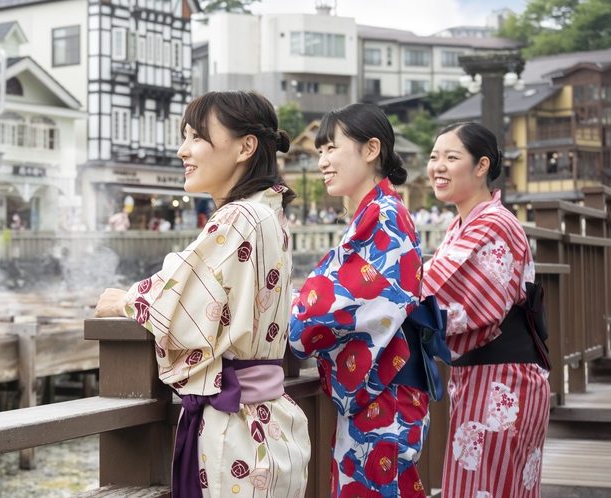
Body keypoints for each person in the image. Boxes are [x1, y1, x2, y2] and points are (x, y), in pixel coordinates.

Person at [95, 91, 309, 497]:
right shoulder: (268, 214)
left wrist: (122, 301)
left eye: (196, 137)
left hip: (238, 429)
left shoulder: (239, 215)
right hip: (269, 420)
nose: (182, 151)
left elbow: (181, 292)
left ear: (245, 146)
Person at [288, 103, 427, 497]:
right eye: (319, 152)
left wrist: (291, 310)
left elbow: (323, 308)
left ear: (371, 150)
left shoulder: (382, 215)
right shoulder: (382, 211)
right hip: (386, 391)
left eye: (332, 148)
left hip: (385, 397)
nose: (323, 161)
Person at [422, 122, 549, 498]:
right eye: (433, 157)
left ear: (481, 166)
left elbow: (436, 291)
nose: (437, 166)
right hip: (487, 377)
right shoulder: (464, 223)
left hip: (501, 381)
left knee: (483, 490)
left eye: (451, 157)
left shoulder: (492, 224)